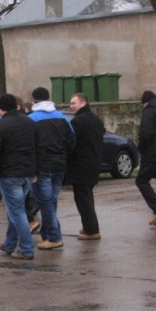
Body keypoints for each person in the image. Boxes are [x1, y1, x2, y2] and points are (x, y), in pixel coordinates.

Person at [0, 94, 37, 259]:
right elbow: (38, 147)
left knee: (17, 212)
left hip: (9, 174)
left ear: (0, 109)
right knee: (15, 210)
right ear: (16, 106)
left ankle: (26, 249)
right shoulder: (30, 122)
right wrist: (35, 170)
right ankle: (9, 244)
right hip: (27, 174)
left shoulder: (0, 126)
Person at [29, 86, 75, 250]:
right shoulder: (61, 117)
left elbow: (29, 145)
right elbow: (71, 141)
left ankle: (54, 237)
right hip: (60, 165)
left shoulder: (32, 119)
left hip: (42, 167)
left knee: (45, 202)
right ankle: (48, 235)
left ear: (34, 100)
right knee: (51, 201)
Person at [67, 93, 105, 239]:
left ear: (83, 103)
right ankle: (90, 225)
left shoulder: (77, 122)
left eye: (73, 103)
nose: (71, 106)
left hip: (80, 165)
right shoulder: (96, 120)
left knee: (83, 199)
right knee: (88, 197)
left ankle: (91, 231)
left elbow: (72, 144)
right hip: (94, 163)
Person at [136, 90, 156, 226]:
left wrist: (141, 148)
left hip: (153, 154)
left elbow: (146, 133)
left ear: (145, 102)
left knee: (141, 180)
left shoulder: (149, 111)